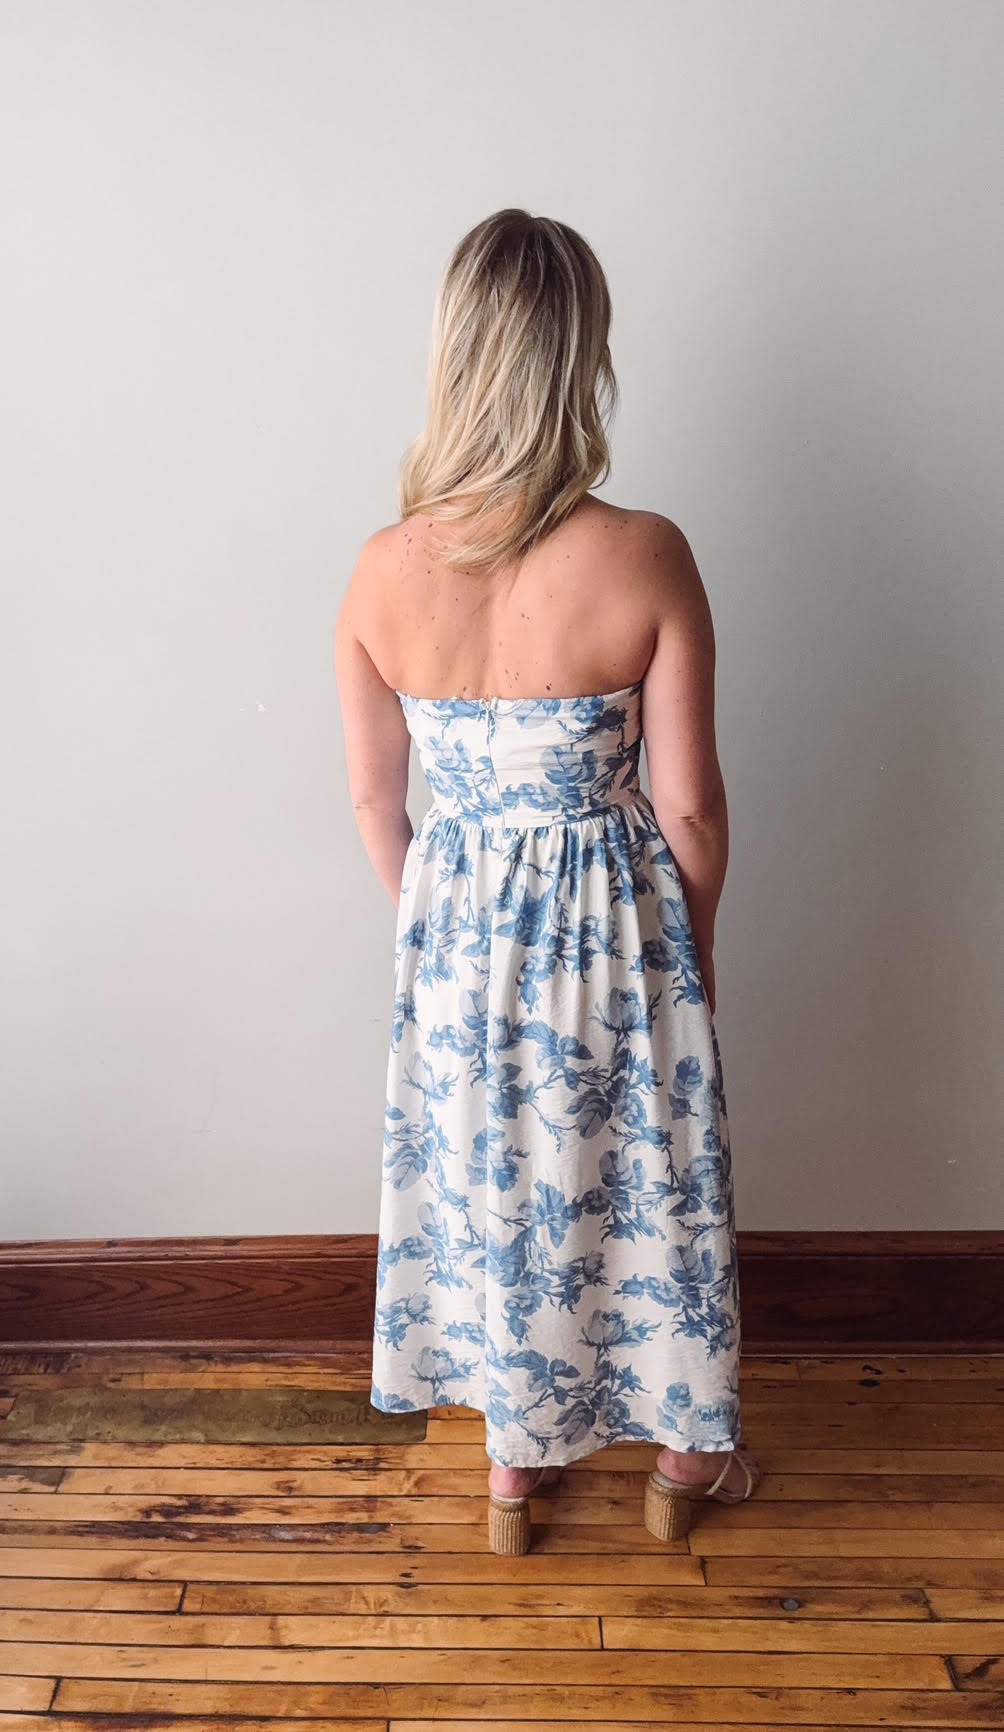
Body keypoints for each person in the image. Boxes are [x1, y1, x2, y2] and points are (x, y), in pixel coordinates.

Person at [334, 207, 761, 1555]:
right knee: (649, 1180)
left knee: (500, 1185)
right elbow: (687, 803)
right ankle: (685, 1465)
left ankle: (517, 1475)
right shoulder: (644, 554)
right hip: (617, 928)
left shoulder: (382, 571)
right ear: (583, 357)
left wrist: (443, 937)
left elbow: (371, 798)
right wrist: (684, 957)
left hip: (458, 935)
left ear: (455, 356)